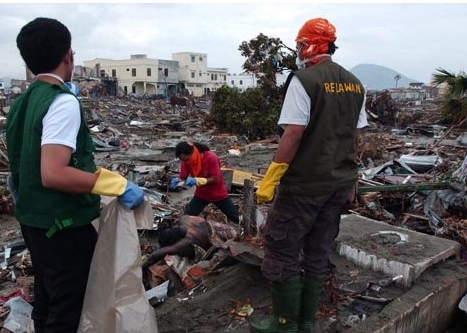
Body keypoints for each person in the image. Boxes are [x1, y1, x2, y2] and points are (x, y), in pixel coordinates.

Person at [7, 17, 145, 333]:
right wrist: (114, 184)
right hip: (64, 227)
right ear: (69, 55)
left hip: (34, 222)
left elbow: (25, 166)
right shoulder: (62, 102)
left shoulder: (21, 103)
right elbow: (53, 173)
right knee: (68, 311)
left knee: (47, 301)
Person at [250, 17, 368, 333]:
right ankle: (306, 323)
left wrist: (272, 177)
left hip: (304, 186)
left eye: (301, 44)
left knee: (282, 249)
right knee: (318, 250)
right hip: (338, 185)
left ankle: (285, 324)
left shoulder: (304, 80)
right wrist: (352, 177)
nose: (299, 51)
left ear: (313, 45)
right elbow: (356, 136)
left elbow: (293, 134)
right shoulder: (356, 84)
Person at [170, 141, 240, 224]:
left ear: (192, 153)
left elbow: (216, 179)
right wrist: (178, 181)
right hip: (201, 194)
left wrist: (198, 180)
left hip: (217, 193)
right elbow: (183, 177)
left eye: (186, 159)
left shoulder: (211, 158)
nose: (185, 162)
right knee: (186, 218)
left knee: (236, 218)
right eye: (182, 160)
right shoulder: (185, 161)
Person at [143, 215, 239, 268]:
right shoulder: (191, 221)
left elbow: (159, 253)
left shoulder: (188, 240)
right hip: (233, 229)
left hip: (233, 244)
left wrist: (142, 266)